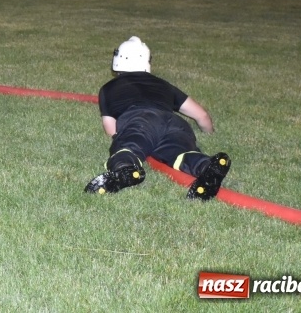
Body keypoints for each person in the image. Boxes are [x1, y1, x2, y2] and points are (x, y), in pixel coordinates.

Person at [85, 36, 231, 201]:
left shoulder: (108, 88)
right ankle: (205, 165)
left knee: (129, 148)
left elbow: (109, 124)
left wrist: (118, 138)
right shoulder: (163, 84)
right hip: (176, 124)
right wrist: (210, 132)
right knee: (180, 153)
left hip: (140, 120)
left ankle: (125, 168)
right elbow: (201, 115)